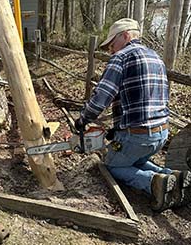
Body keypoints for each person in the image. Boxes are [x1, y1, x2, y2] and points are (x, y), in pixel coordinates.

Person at [75, 18, 191, 213]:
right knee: (135, 160)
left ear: (126, 36)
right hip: (161, 133)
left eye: (112, 44)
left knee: (113, 166)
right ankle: (173, 177)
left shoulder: (121, 58)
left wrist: (83, 119)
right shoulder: (156, 57)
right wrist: (117, 128)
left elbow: (101, 97)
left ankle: (154, 183)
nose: (111, 49)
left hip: (138, 135)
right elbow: (143, 101)